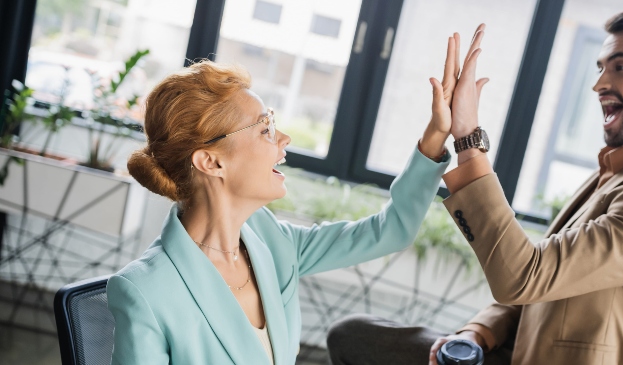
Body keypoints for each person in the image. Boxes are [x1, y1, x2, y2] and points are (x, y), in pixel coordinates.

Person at [327, 6, 623, 365]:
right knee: (356, 338)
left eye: (620, 67)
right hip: (513, 352)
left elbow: (527, 275)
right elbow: (549, 282)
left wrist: (468, 137)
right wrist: (478, 331)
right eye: (600, 68)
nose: (599, 83)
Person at [105, 49, 468, 364]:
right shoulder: (146, 291)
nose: (284, 138)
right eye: (264, 129)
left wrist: (436, 132)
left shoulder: (269, 239)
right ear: (211, 162)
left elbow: (388, 232)